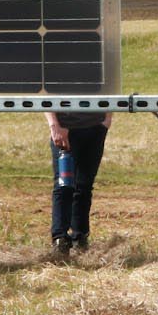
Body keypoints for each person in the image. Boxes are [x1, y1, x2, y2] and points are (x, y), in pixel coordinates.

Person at [48, 106, 111, 258]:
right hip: (65, 128)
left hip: (95, 129)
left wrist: (107, 120)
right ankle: (60, 239)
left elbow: (110, 88)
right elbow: (44, 93)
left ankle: (80, 237)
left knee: (84, 185)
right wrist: (55, 125)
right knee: (64, 185)